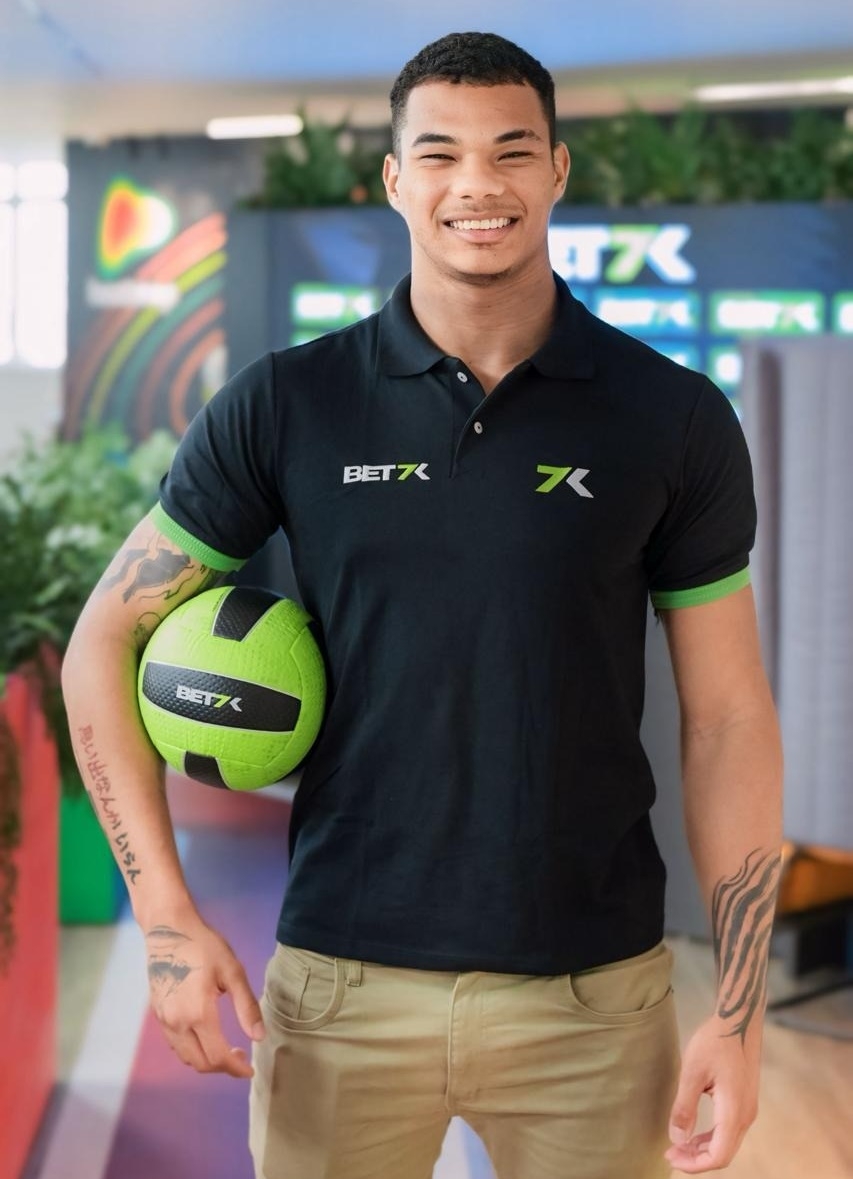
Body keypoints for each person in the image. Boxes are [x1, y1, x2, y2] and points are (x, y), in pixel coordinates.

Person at [61, 30, 783, 1179]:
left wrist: (738, 1014)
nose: (476, 184)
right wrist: (165, 920)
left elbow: (730, 718)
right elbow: (103, 640)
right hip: (341, 989)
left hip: (592, 1000)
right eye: (440, 153)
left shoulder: (671, 417)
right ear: (395, 180)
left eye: (511, 150)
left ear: (556, 170)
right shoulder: (288, 404)